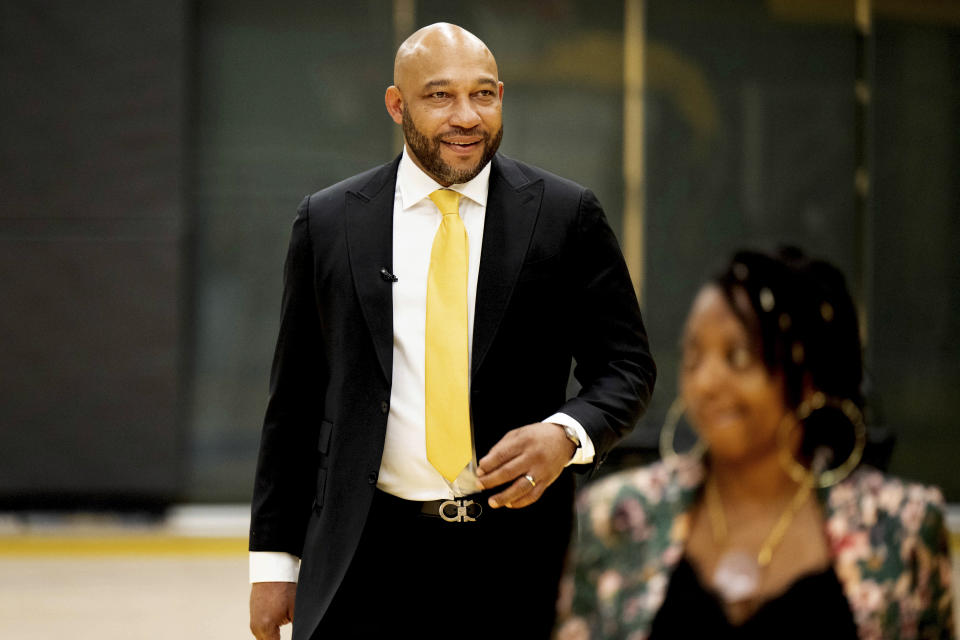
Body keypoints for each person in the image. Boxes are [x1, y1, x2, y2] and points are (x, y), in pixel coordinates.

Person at [248, 23, 655, 640]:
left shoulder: (566, 216)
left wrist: (566, 435)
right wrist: (273, 564)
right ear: (396, 105)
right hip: (362, 558)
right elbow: (295, 401)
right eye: (439, 96)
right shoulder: (329, 221)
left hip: (517, 563)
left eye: (483, 95)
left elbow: (627, 368)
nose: (466, 116)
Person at [558, 248, 954, 639]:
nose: (706, 383)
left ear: (807, 373)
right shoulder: (618, 517)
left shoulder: (903, 530)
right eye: (693, 358)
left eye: (738, 356)